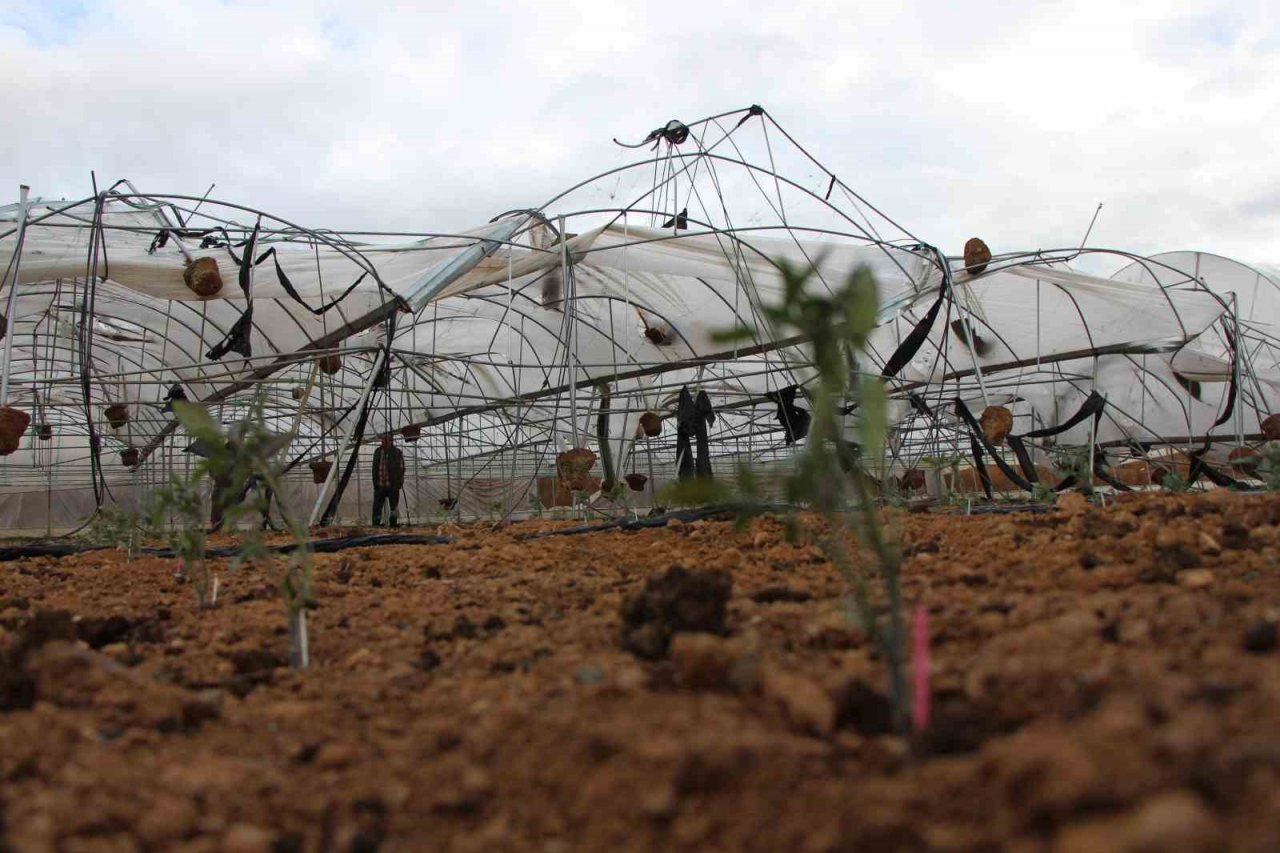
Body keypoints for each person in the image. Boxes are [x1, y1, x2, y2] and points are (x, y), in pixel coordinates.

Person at [371, 433, 405, 527]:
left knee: (393, 506)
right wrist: (375, 482)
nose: (383, 442)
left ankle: (393, 524)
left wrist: (398, 481)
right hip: (380, 484)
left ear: (391, 441)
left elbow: (401, 468)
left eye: (386, 440)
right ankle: (376, 524)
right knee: (377, 507)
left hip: (392, 484)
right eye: (382, 440)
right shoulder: (378, 451)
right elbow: (374, 468)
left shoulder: (397, 452)